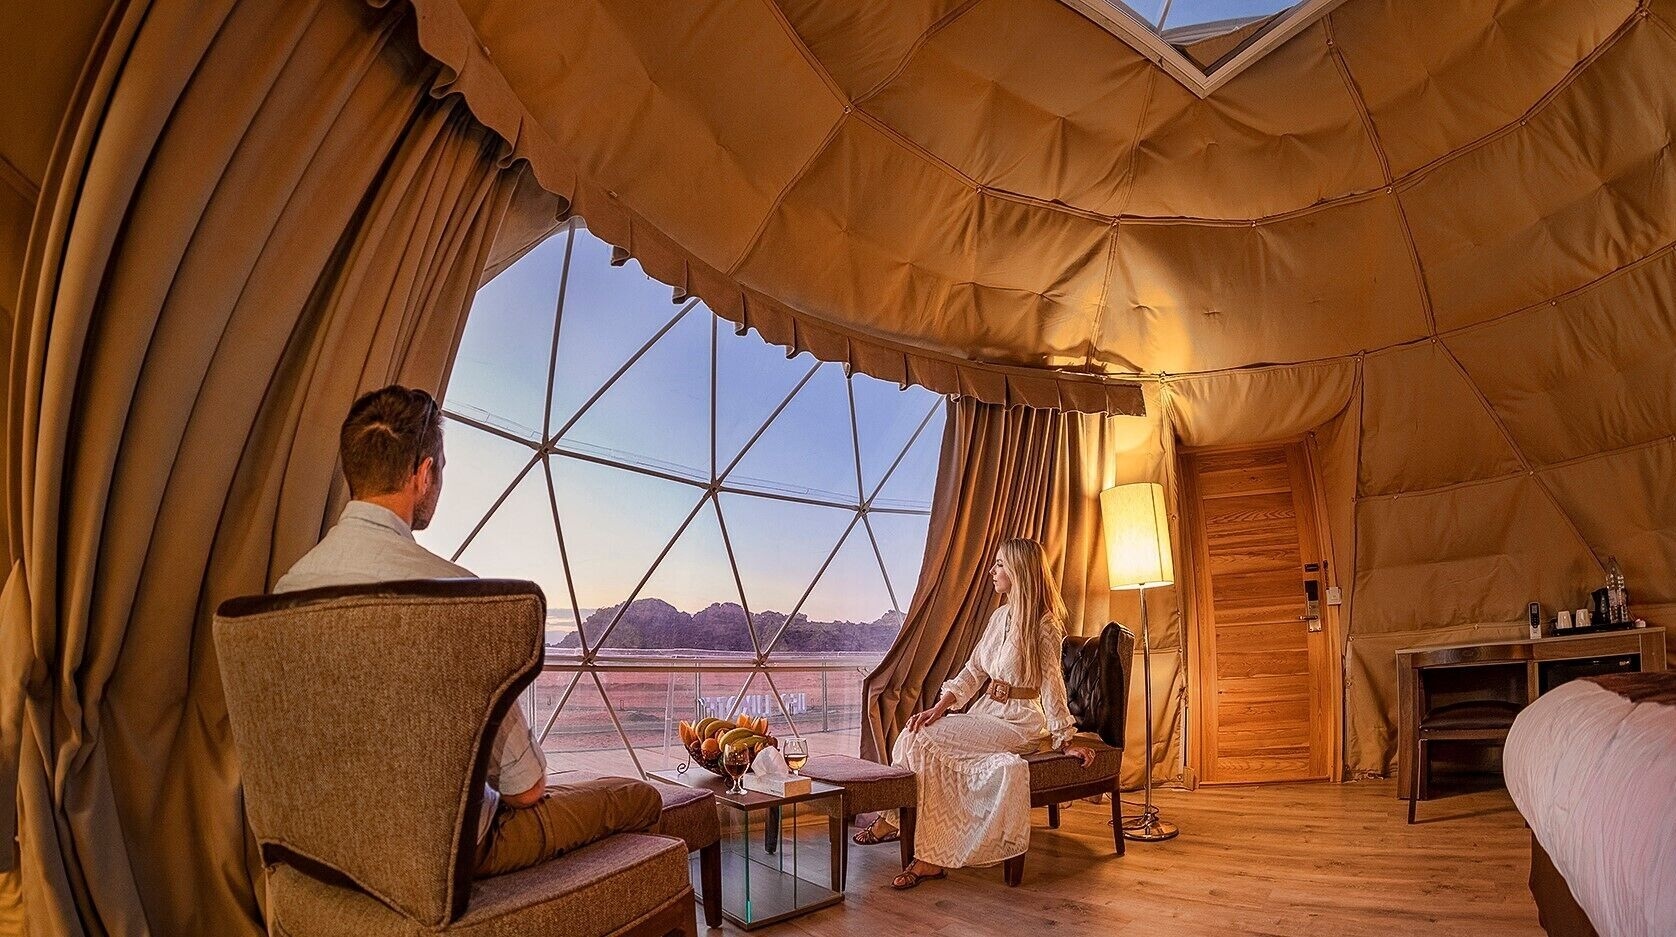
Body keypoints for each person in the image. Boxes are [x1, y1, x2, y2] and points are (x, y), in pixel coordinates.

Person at [275, 384, 659, 878]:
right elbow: (526, 788)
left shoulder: (288, 590)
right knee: (639, 796)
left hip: (323, 853)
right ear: (423, 474)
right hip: (448, 854)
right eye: (441, 470)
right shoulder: (456, 597)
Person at [856, 537, 1096, 889]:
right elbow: (974, 670)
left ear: (1019, 570)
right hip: (987, 711)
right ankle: (895, 820)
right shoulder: (999, 617)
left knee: (926, 742)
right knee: (913, 733)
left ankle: (931, 856)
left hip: (1020, 722)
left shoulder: (1044, 624)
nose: (992, 571)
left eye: (999, 564)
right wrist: (939, 707)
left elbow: (1052, 683)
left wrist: (1065, 740)